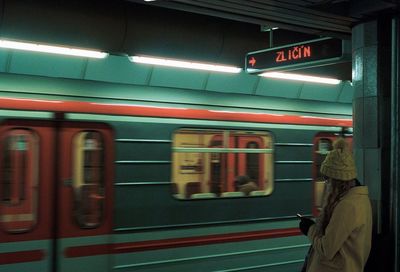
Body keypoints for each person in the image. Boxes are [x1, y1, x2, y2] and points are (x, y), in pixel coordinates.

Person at [298, 138, 372, 272]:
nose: (326, 183)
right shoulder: (357, 200)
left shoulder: (348, 206)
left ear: (337, 180)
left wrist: (309, 229)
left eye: (327, 179)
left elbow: (327, 249)